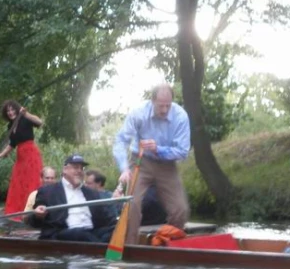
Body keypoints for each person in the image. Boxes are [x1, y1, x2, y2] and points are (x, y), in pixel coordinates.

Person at [113, 84, 191, 244]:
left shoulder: (180, 116)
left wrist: (159, 149)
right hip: (140, 162)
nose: (164, 110)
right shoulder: (138, 113)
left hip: (167, 164)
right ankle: (130, 247)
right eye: (160, 105)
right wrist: (124, 168)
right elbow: (121, 141)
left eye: (168, 106)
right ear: (152, 101)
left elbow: (183, 151)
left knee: (180, 209)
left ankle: (168, 243)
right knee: (132, 204)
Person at [26, 154, 117, 242]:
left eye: (81, 168)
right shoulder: (47, 192)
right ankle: (105, 252)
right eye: (75, 167)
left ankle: (107, 252)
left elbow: (106, 218)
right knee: (80, 233)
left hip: (91, 232)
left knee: (116, 230)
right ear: (65, 170)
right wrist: (38, 215)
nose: (79, 171)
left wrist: (120, 221)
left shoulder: (91, 193)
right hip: (63, 234)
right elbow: (34, 222)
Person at [0, 100, 44, 215]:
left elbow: (39, 122)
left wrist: (26, 114)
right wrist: (0, 155)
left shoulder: (25, 119)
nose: (10, 112)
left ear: (17, 109)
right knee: (18, 183)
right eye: (8, 111)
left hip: (31, 154)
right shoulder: (10, 126)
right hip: (21, 156)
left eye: (12, 109)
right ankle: (19, 211)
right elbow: (12, 144)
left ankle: (34, 211)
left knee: (32, 182)